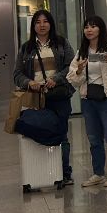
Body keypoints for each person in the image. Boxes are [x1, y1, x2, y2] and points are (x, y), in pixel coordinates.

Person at [15, 10, 76, 187]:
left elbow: (71, 68)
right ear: (33, 26)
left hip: (59, 96)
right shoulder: (26, 48)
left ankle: (64, 172)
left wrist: (55, 79)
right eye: (38, 22)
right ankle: (43, 172)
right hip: (36, 98)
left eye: (45, 21)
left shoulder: (62, 44)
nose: (42, 25)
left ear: (51, 24)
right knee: (40, 130)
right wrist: (29, 82)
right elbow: (17, 74)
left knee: (62, 134)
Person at [69, 16, 107, 188]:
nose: (89, 30)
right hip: (89, 99)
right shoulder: (82, 51)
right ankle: (98, 173)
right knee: (94, 137)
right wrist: (80, 69)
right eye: (86, 27)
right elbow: (72, 78)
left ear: (100, 29)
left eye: (93, 26)